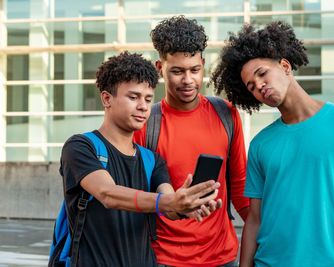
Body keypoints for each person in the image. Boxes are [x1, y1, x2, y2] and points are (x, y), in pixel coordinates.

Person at [210, 21, 334, 267]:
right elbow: (255, 219)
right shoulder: (260, 144)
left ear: (285, 66)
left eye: (261, 73)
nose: (259, 86)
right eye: (251, 86)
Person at [60, 51, 221, 266]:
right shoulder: (81, 146)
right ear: (107, 99)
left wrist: (186, 205)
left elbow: (169, 203)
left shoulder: (151, 159)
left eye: (148, 99)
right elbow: (107, 194)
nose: (143, 107)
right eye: (133, 97)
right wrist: (169, 202)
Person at [133, 16, 250, 267]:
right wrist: (172, 206)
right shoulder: (145, 123)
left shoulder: (226, 114)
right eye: (177, 71)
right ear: (159, 68)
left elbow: (240, 187)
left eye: (194, 70)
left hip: (222, 256)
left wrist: (268, 235)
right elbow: (135, 196)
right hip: (164, 257)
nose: (188, 80)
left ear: (204, 65)